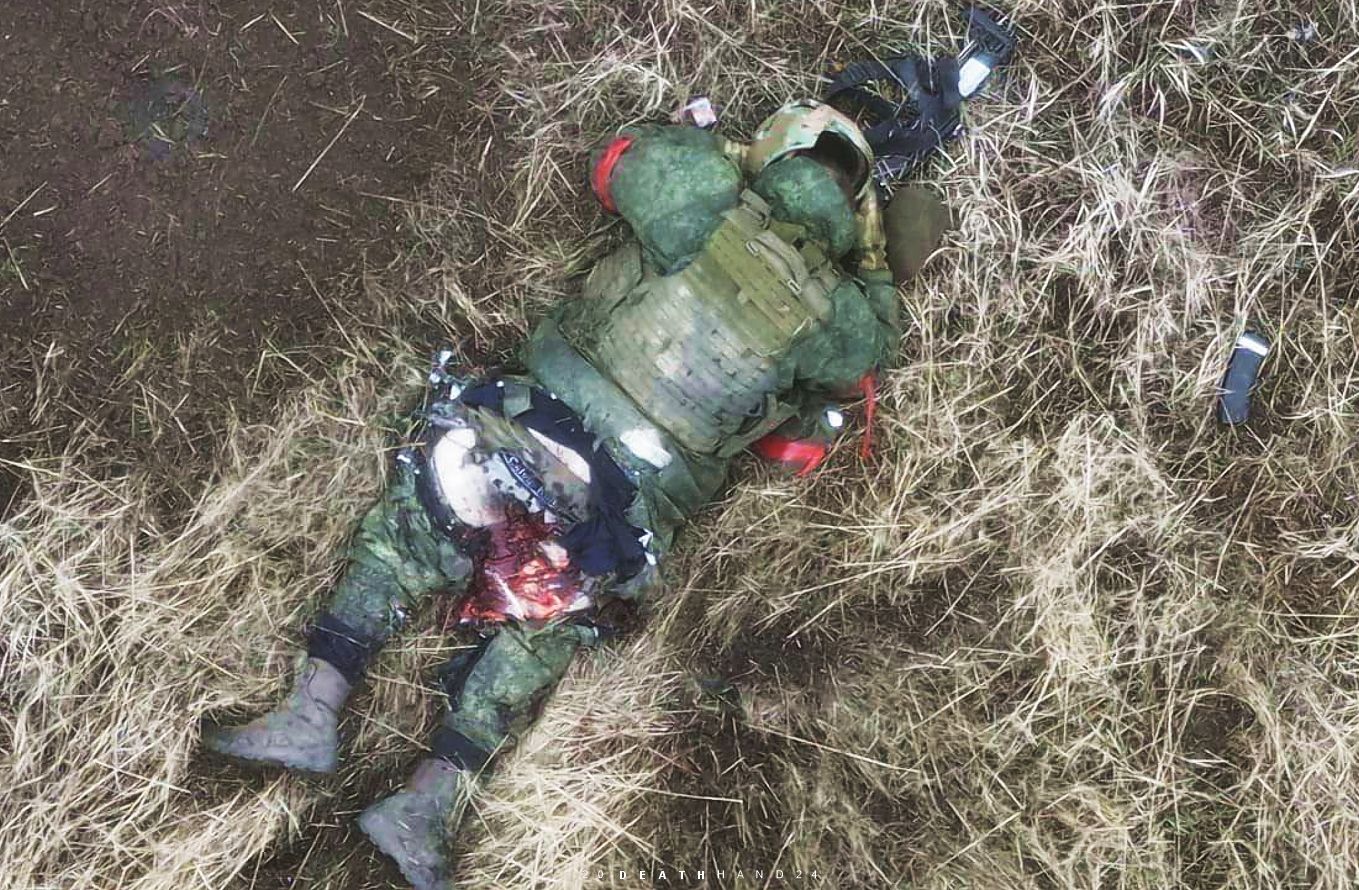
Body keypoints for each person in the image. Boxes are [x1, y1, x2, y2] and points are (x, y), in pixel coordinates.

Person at [204, 100, 947, 890]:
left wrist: (726, 155)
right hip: (621, 516)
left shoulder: (702, 199)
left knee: (409, 540)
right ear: (857, 212)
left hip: (530, 432)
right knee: (541, 637)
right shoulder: (839, 317)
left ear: (774, 150)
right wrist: (872, 260)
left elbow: (618, 159)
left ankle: (313, 710)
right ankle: (425, 804)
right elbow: (866, 364)